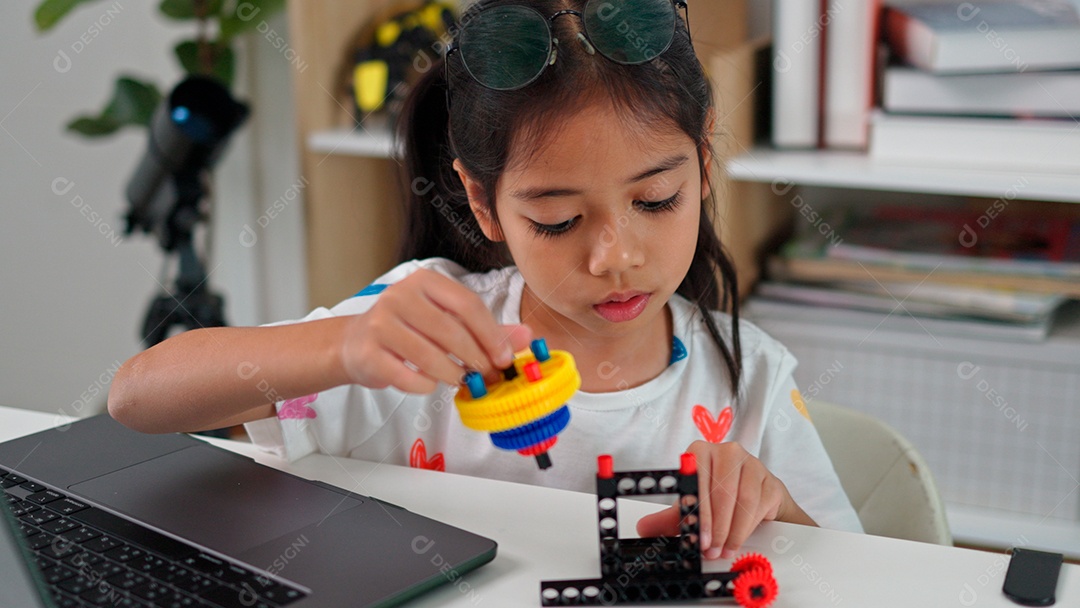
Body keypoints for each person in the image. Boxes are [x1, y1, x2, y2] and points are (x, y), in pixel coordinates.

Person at [108, 0, 862, 563]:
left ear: (701, 164)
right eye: (559, 220)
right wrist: (344, 346)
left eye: (656, 201)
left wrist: (774, 508)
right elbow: (136, 399)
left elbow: (865, 576)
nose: (614, 257)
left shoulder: (751, 381)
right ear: (482, 202)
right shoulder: (424, 336)